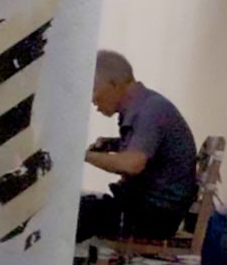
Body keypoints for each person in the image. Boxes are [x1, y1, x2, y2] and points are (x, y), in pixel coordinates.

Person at [77, 51, 199, 241]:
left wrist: (81, 155)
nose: (92, 101)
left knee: (71, 216)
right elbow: (150, 151)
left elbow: (132, 164)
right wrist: (113, 144)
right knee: (76, 208)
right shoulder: (146, 106)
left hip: (153, 215)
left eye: (93, 90)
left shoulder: (149, 110)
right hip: (149, 208)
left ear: (113, 84)